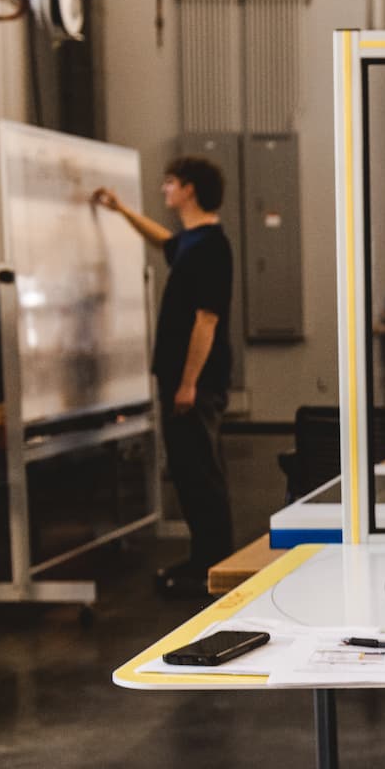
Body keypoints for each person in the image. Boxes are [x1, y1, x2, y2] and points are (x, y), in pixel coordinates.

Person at [95, 157, 234, 596]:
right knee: (189, 471)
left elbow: (206, 321)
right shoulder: (194, 243)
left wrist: (189, 382)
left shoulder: (212, 247)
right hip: (182, 380)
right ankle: (204, 560)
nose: (164, 190)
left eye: (170, 183)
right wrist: (121, 211)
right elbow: (165, 241)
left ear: (189, 189)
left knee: (198, 473)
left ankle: (212, 566)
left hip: (193, 382)